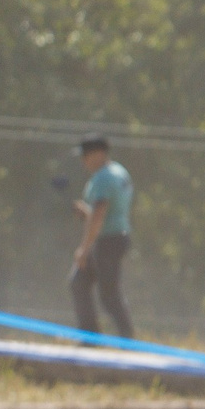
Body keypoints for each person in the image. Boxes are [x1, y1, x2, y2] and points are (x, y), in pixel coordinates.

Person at [67, 135, 134, 338]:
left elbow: (99, 215)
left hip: (108, 240)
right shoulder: (119, 172)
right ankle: (90, 336)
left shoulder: (103, 178)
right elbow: (109, 211)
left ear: (99, 154)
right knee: (79, 282)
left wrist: (84, 249)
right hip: (116, 236)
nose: (83, 161)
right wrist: (87, 213)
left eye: (86, 155)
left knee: (109, 295)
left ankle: (127, 340)